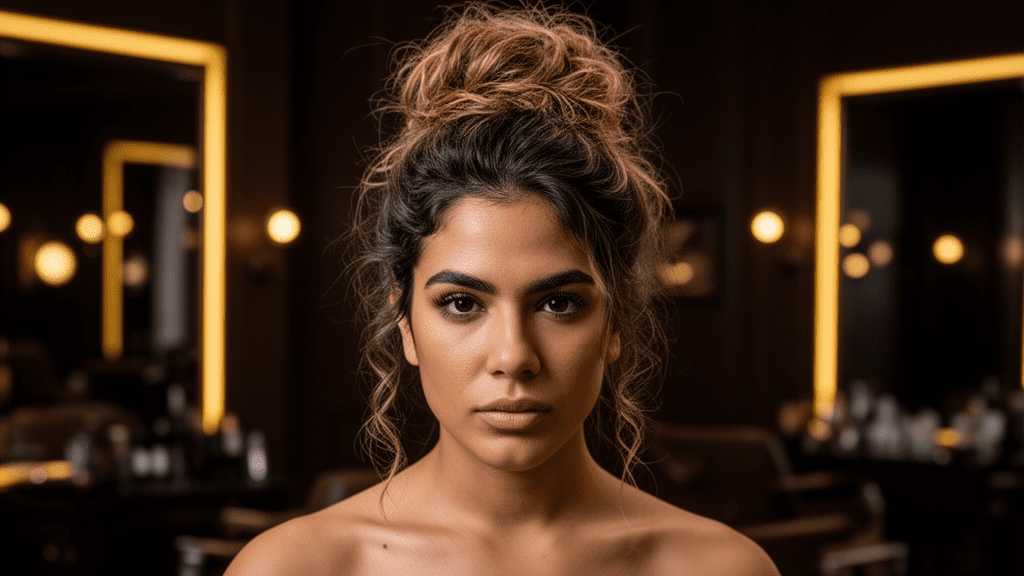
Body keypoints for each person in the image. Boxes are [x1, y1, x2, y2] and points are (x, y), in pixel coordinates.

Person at [227, 4, 779, 574]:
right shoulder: (292, 567)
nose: (514, 357)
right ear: (405, 324)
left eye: (559, 303)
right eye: (462, 304)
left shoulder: (722, 568)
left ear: (615, 322)